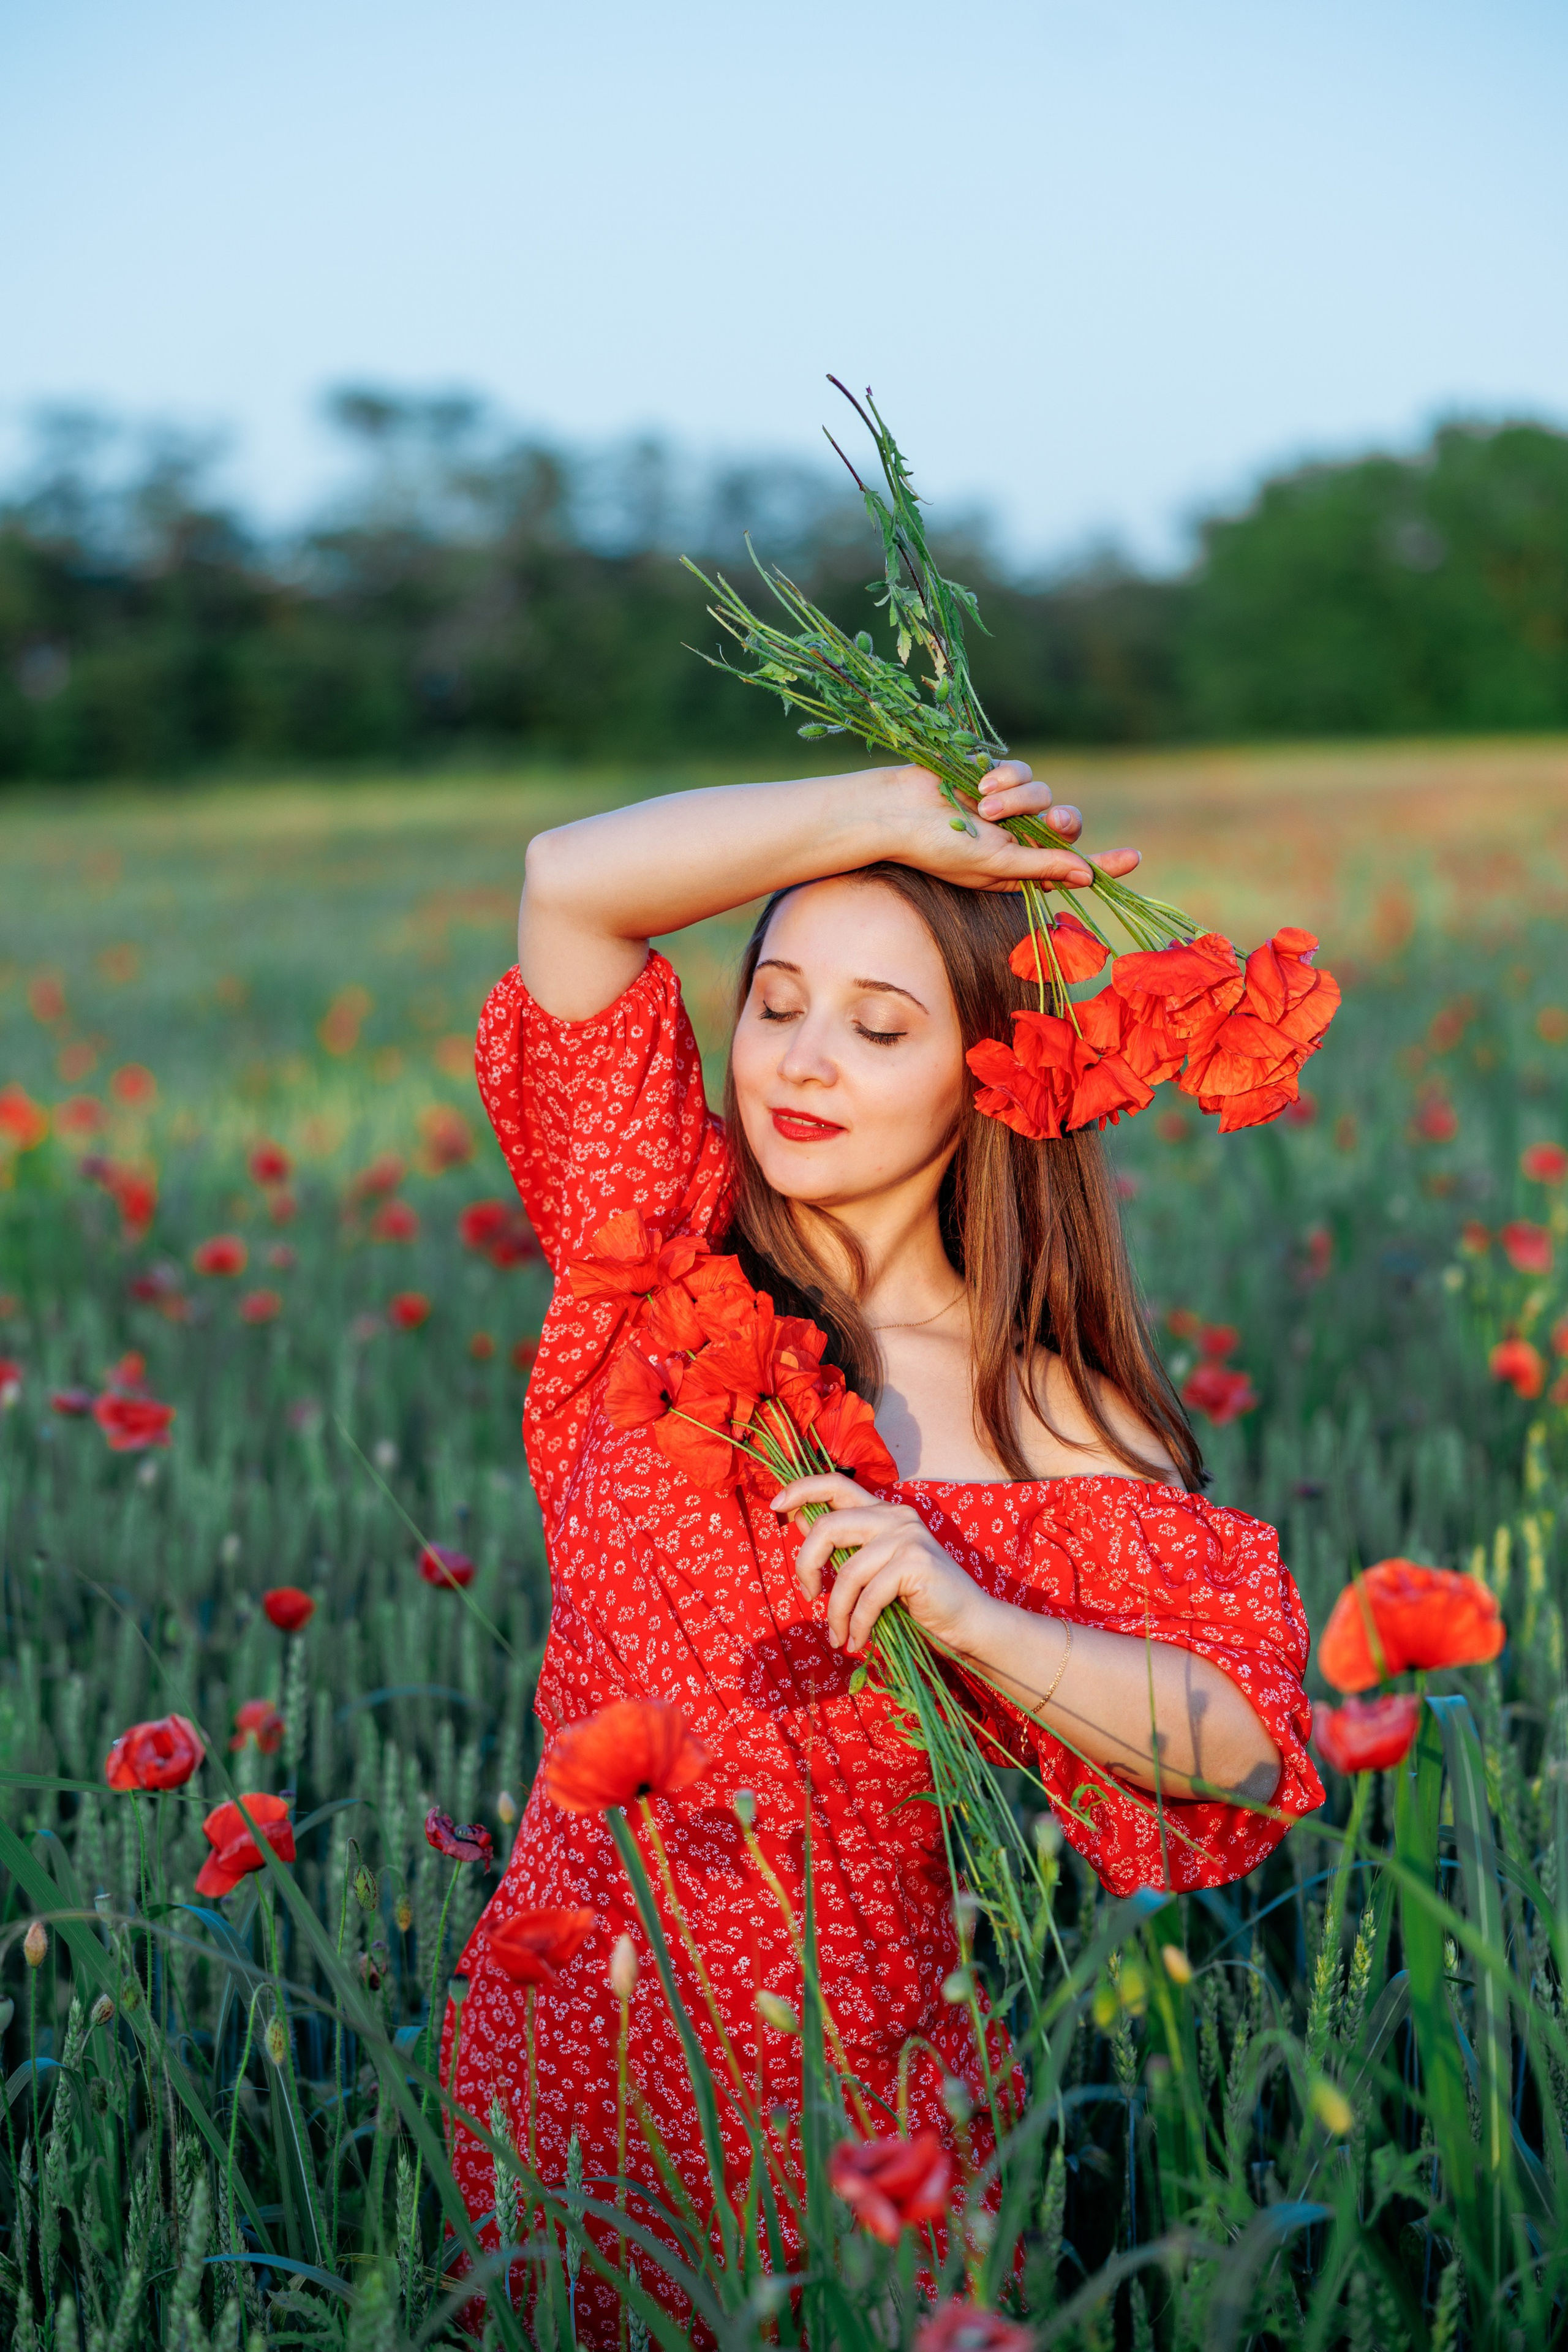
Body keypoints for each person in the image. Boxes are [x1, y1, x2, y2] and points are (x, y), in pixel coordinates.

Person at [448, 758, 1321, 2337]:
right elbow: (571, 877)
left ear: (987, 1073)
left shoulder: (1042, 1412)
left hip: (857, 2098)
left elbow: (1245, 1745)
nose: (804, 1060)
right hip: (571, 2038)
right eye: (776, 1001)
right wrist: (889, 811)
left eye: (881, 1025)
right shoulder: (655, 1245)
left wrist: (977, 1618)